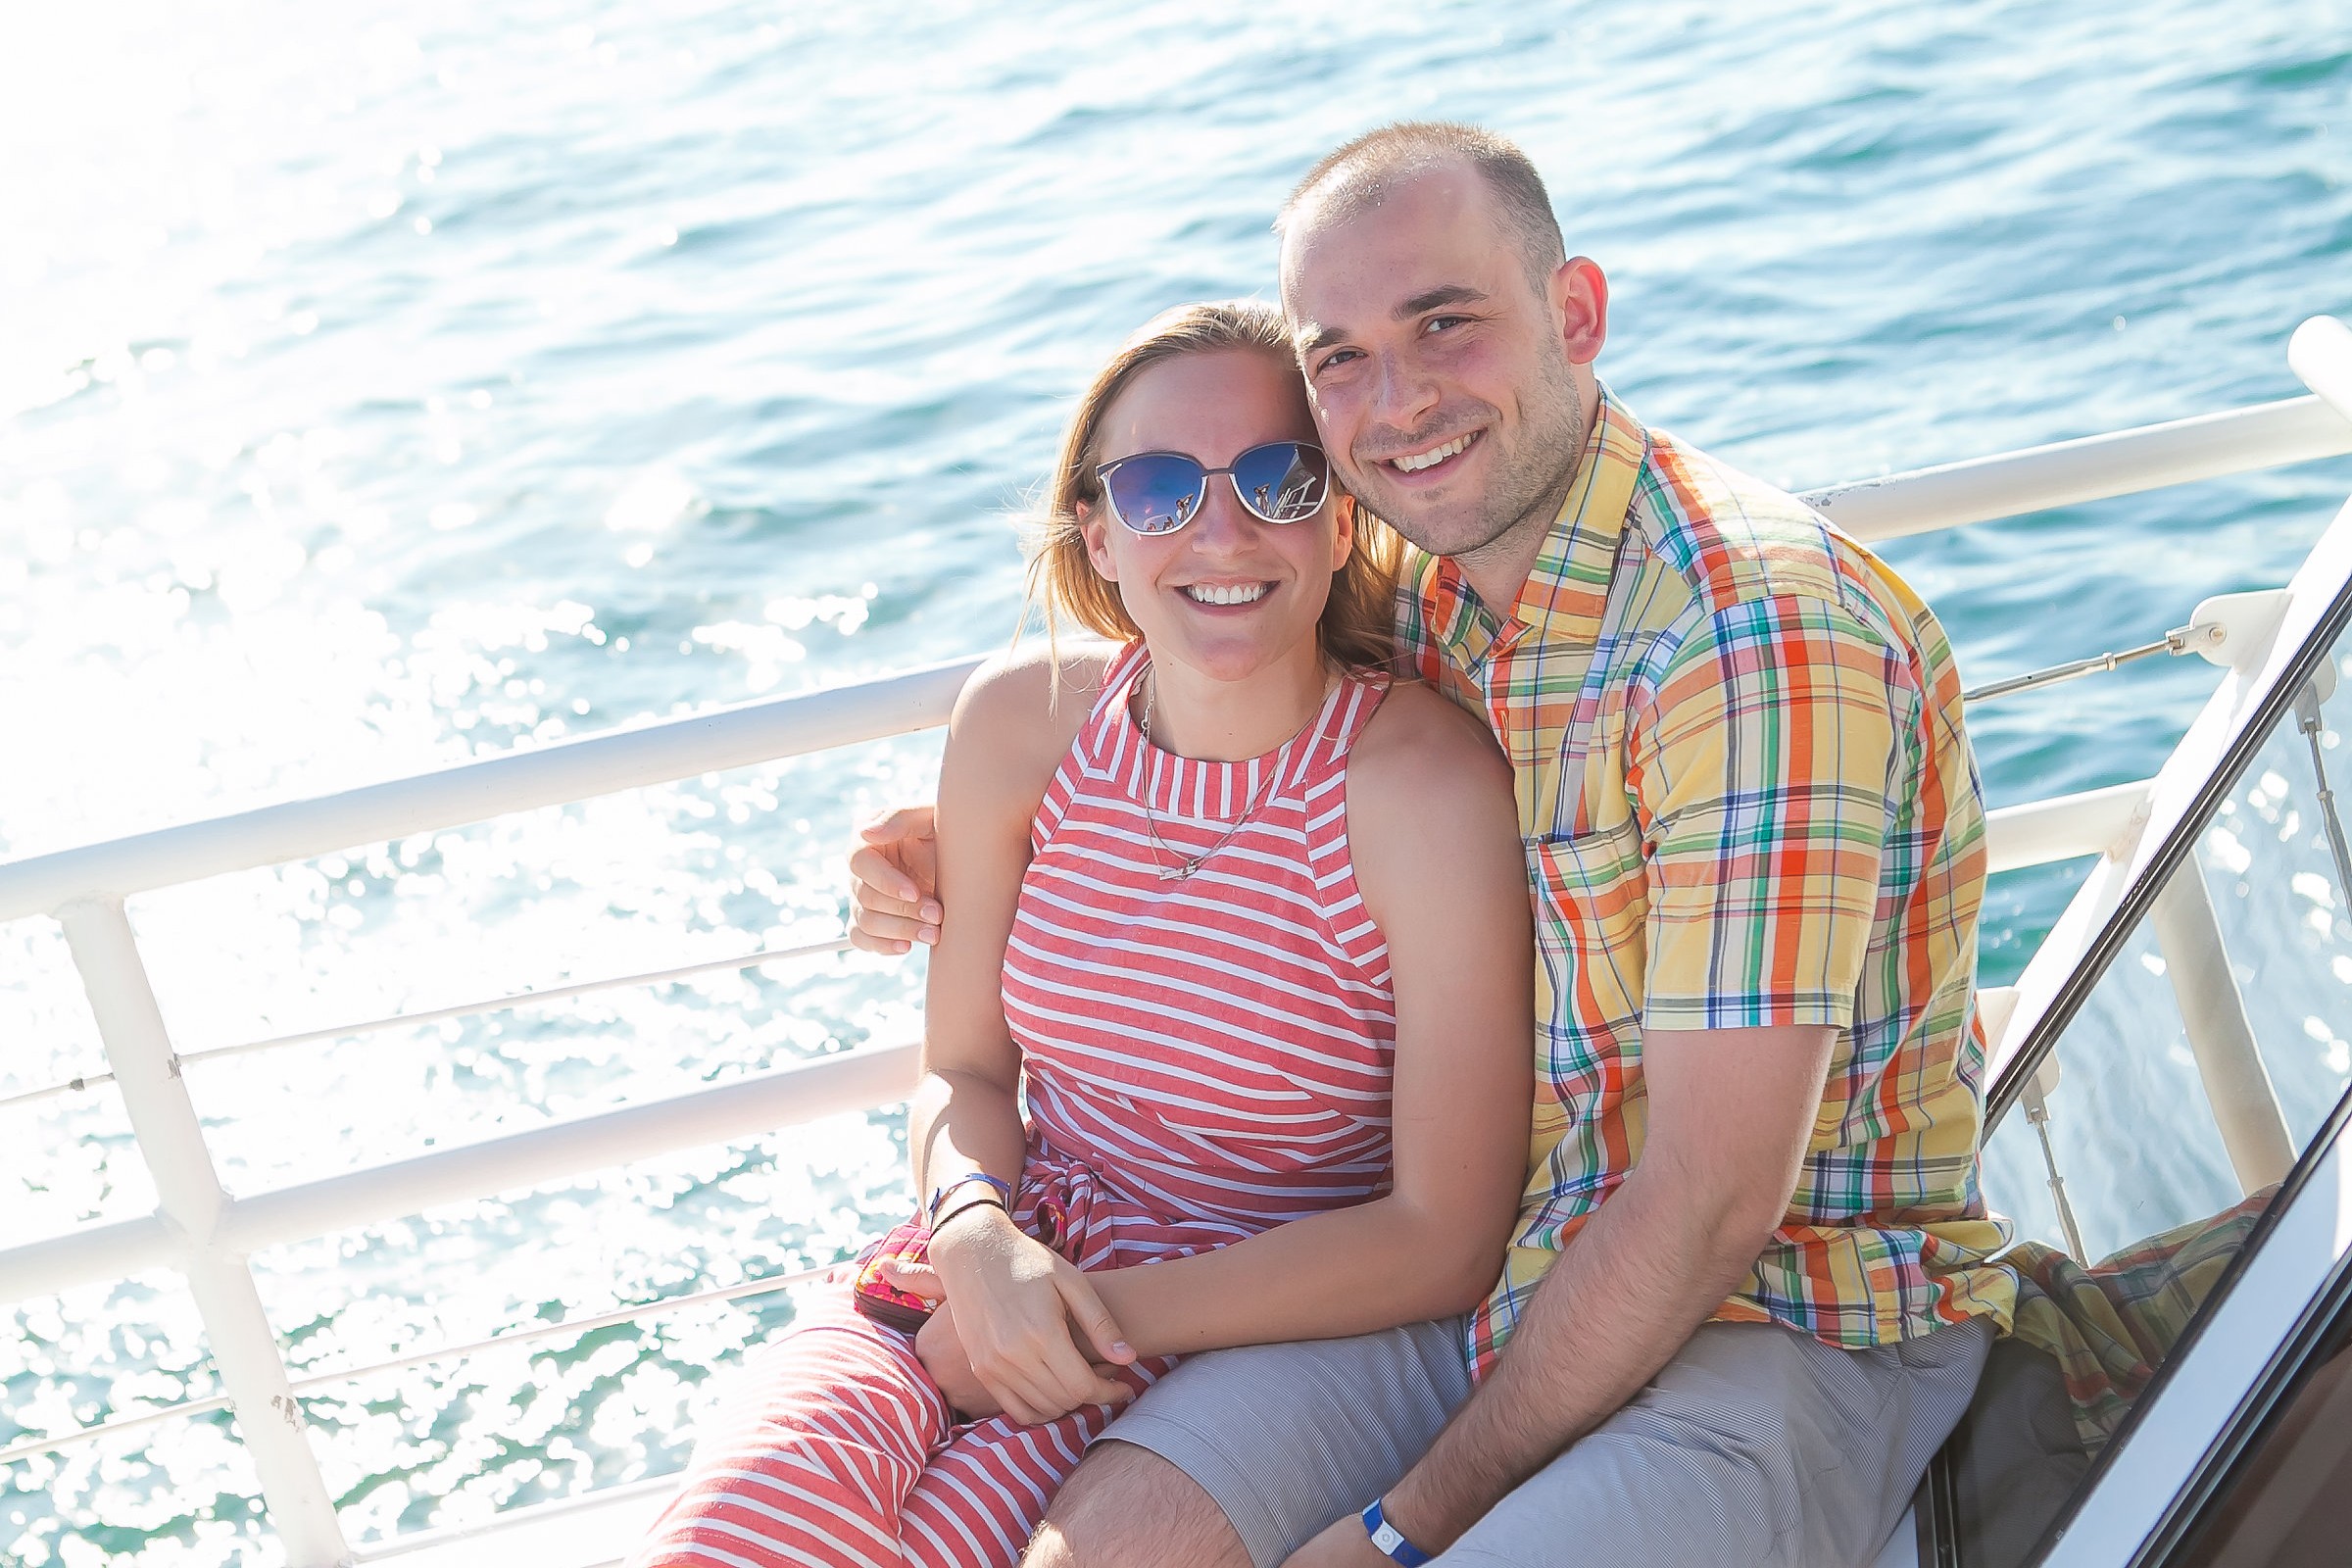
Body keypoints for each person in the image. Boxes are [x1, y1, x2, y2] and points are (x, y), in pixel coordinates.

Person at [848, 122, 2016, 1568]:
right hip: (1494, 1278)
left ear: (1574, 313)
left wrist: (1401, 1532)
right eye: (1341, 356)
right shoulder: (1427, 569)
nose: (1398, 402)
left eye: (1446, 323)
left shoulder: (1748, 644)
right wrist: (965, 844)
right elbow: (1221, 704)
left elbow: (1712, 1202)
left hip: (1771, 1322)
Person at [633, 300, 1534, 1568]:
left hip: (1233, 1327)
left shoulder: (1416, 791)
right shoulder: (1023, 724)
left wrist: (1068, 1313)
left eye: (1278, 480)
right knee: (727, 1538)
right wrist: (974, 1234)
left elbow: (1443, 1236)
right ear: (1098, 535)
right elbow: (965, 1070)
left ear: (1341, 522)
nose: (1221, 530)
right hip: (977, 1257)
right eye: (1158, 488)